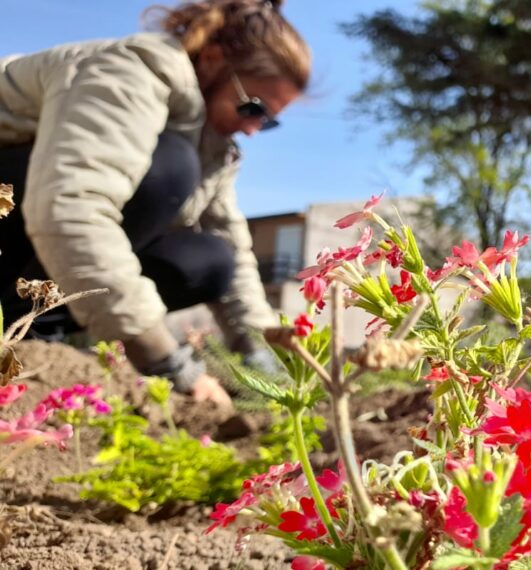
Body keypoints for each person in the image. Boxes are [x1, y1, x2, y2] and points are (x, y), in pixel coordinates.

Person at [0, 0, 310, 407]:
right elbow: (70, 208)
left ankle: (39, 324)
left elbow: (230, 241)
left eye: (267, 122)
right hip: (22, 204)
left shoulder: (213, 144)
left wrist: (264, 357)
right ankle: (23, 314)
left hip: (34, 227)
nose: (253, 129)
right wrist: (165, 359)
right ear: (214, 60)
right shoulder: (127, 71)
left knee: (211, 259)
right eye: (254, 108)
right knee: (169, 168)